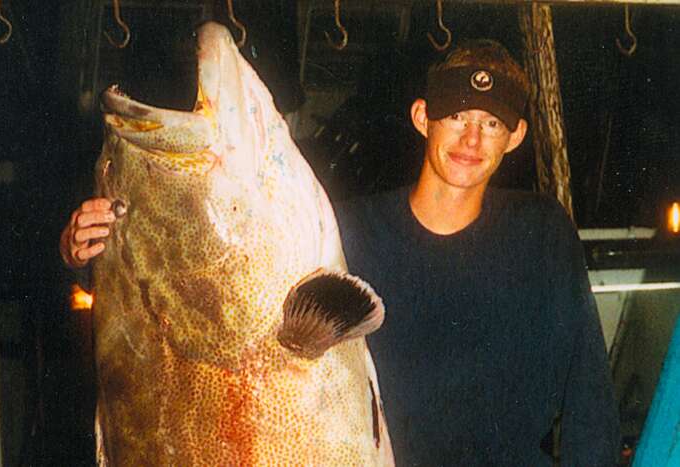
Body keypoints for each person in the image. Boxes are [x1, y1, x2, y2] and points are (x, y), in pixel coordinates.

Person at [60, 39, 620, 466]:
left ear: (515, 136)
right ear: (423, 118)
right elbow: (203, 302)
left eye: (490, 123)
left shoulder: (543, 232)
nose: (471, 140)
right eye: (457, 117)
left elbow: (589, 393)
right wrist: (89, 249)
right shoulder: (344, 231)